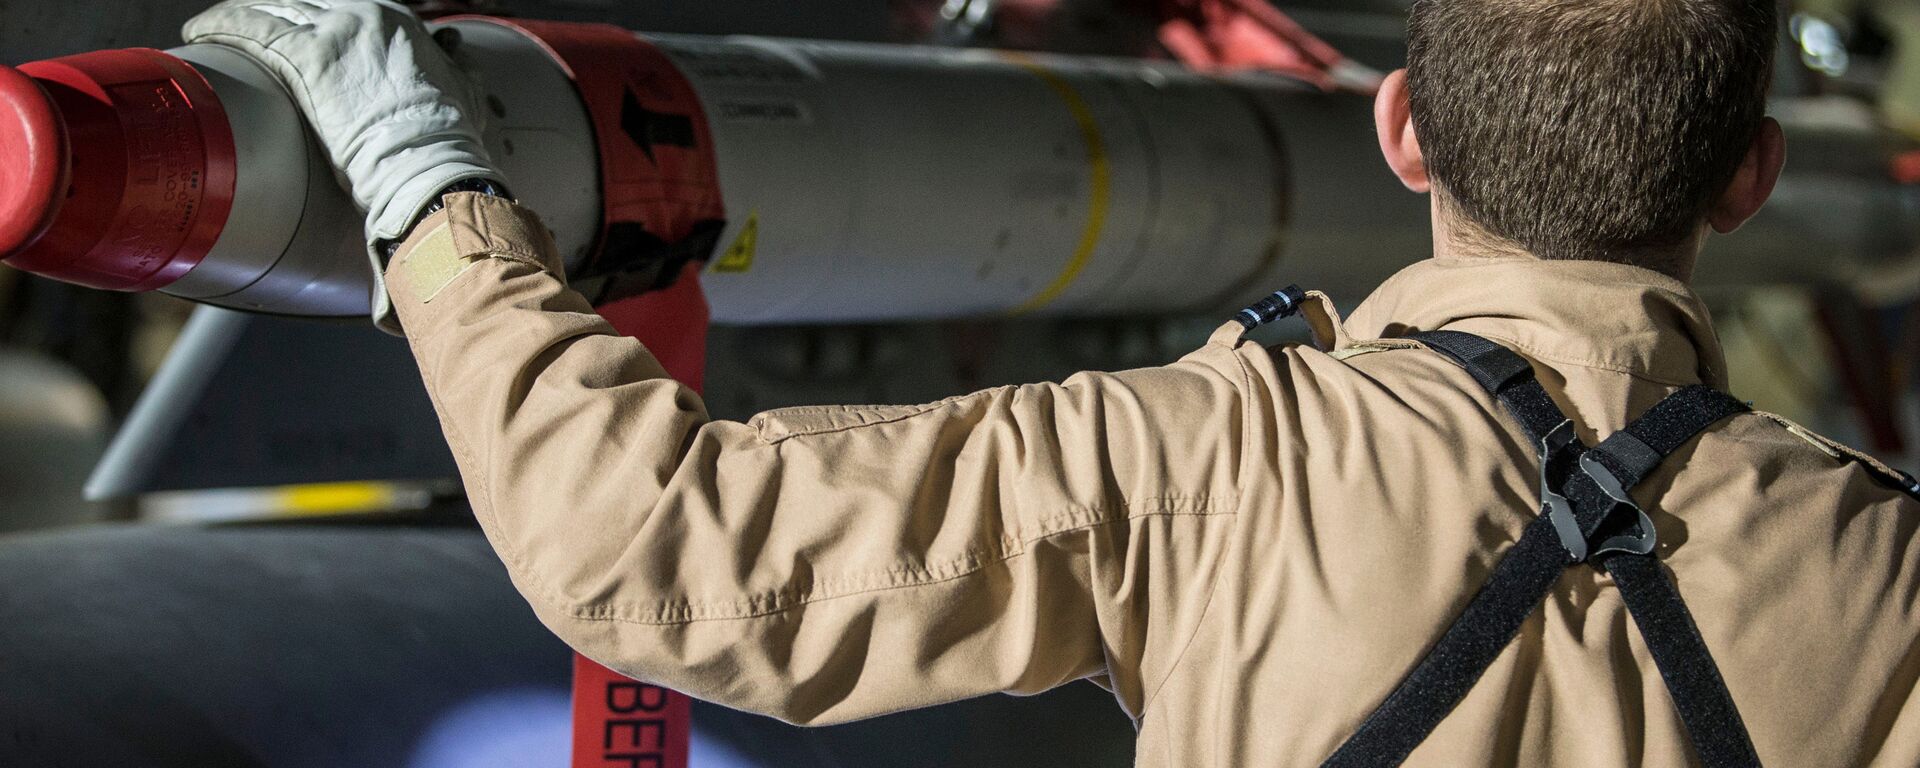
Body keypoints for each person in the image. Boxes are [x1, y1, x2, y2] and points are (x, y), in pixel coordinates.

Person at [183, 0, 1920, 764]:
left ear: (1394, 125)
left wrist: (416, 173)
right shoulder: (1884, 575)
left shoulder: (1199, 460)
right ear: (1750, 176)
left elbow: (661, 551)